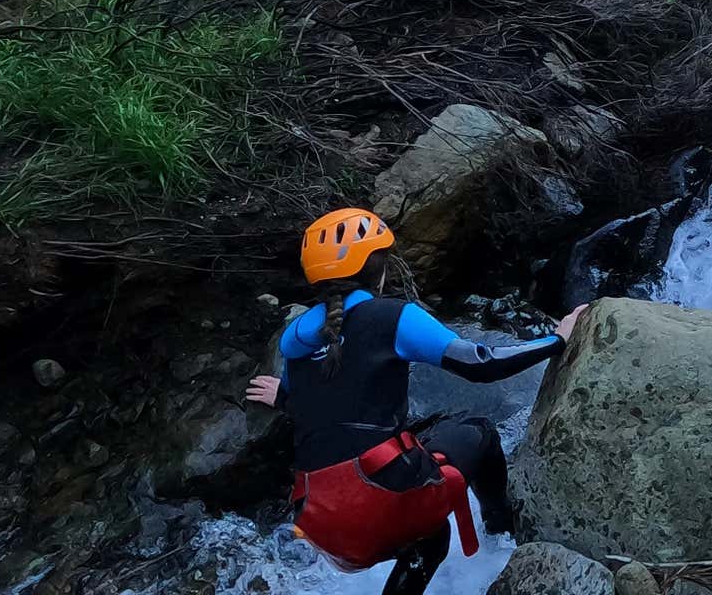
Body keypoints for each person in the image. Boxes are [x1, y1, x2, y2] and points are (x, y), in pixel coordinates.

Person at [243, 208, 585, 595]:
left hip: (319, 523)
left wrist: (284, 396)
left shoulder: (296, 339)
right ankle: (503, 540)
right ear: (381, 270)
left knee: (431, 536)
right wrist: (557, 340)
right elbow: (480, 364)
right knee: (481, 434)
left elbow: (319, 408)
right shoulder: (392, 317)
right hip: (380, 502)